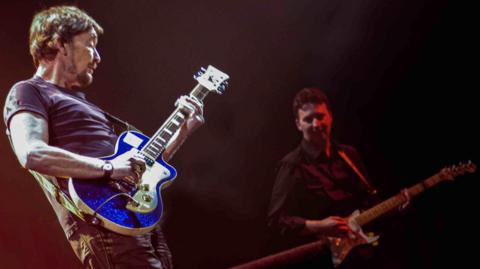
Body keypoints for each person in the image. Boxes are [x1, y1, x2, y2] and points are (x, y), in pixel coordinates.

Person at [3, 5, 204, 269]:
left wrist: (182, 131)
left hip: (137, 217)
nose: (97, 57)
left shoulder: (85, 104)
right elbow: (32, 153)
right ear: (60, 44)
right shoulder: (28, 91)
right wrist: (110, 168)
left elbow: (139, 169)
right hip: (100, 223)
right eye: (90, 45)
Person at [266, 87, 382, 268]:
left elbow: (370, 203)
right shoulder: (291, 166)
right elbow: (277, 220)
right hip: (324, 260)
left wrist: (396, 206)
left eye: (320, 116)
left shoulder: (349, 155)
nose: (316, 124)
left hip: (364, 255)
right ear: (298, 124)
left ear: (330, 116)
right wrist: (319, 225)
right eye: (308, 119)